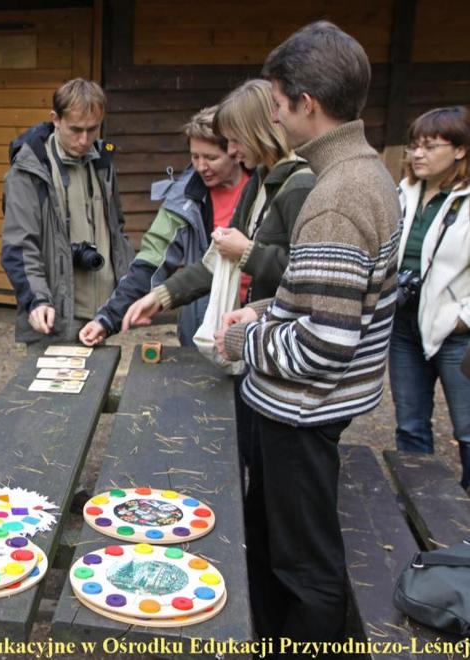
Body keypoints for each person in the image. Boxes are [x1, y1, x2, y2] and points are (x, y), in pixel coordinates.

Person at [213, 21, 401, 648]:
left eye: (276, 103)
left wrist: (245, 340)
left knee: (303, 569)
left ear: (306, 104)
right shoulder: (365, 170)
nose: (275, 116)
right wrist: (266, 312)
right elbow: (330, 300)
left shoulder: (336, 197)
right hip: (318, 406)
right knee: (280, 550)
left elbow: (323, 346)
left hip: (303, 410)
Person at [103, 80, 315, 471]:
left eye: (231, 142)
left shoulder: (297, 184)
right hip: (237, 332)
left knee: (261, 457)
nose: (231, 150)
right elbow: (208, 262)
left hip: (273, 345)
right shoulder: (260, 185)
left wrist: (247, 253)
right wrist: (159, 297)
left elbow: (311, 275)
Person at [78, 106, 248, 348]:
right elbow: (151, 260)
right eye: (194, 156)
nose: (200, 167)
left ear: (235, 151)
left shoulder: (264, 184)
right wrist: (107, 319)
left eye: (210, 158)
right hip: (204, 329)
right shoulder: (186, 197)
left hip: (255, 321)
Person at [0, 78, 134, 343]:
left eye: (92, 129)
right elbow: (19, 246)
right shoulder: (29, 170)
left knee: (99, 382)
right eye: (76, 130)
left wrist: (126, 294)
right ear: (56, 119)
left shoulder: (103, 163)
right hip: (55, 314)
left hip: (101, 316)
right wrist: (37, 300)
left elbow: (117, 231)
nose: (84, 140)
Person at [391, 106, 470, 488]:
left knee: (468, 430)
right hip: (404, 325)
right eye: (413, 146)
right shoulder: (403, 192)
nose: (417, 154)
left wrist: (463, 319)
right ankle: (417, 504)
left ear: (460, 150)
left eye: (429, 146)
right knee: (410, 426)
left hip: (458, 334)